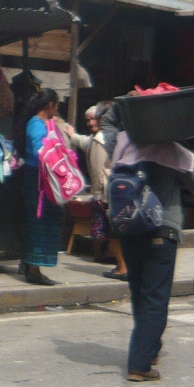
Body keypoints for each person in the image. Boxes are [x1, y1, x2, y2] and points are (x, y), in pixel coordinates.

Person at [105, 108, 194, 382]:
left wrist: (122, 110)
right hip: (162, 231)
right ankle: (139, 364)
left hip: (128, 229)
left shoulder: (124, 144)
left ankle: (150, 346)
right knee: (155, 298)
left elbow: (107, 127)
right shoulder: (174, 152)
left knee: (140, 293)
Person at [69, 102, 128, 280]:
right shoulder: (119, 136)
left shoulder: (101, 139)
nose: (91, 123)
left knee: (114, 233)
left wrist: (100, 195)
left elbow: (100, 171)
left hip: (108, 193)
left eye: (94, 119)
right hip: (120, 191)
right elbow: (84, 142)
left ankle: (122, 267)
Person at [16, 88, 64, 286]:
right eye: (57, 105)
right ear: (50, 106)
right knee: (39, 224)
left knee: (40, 223)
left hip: (41, 179)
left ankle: (28, 263)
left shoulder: (43, 123)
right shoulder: (36, 125)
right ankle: (34, 269)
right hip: (39, 181)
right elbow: (39, 150)